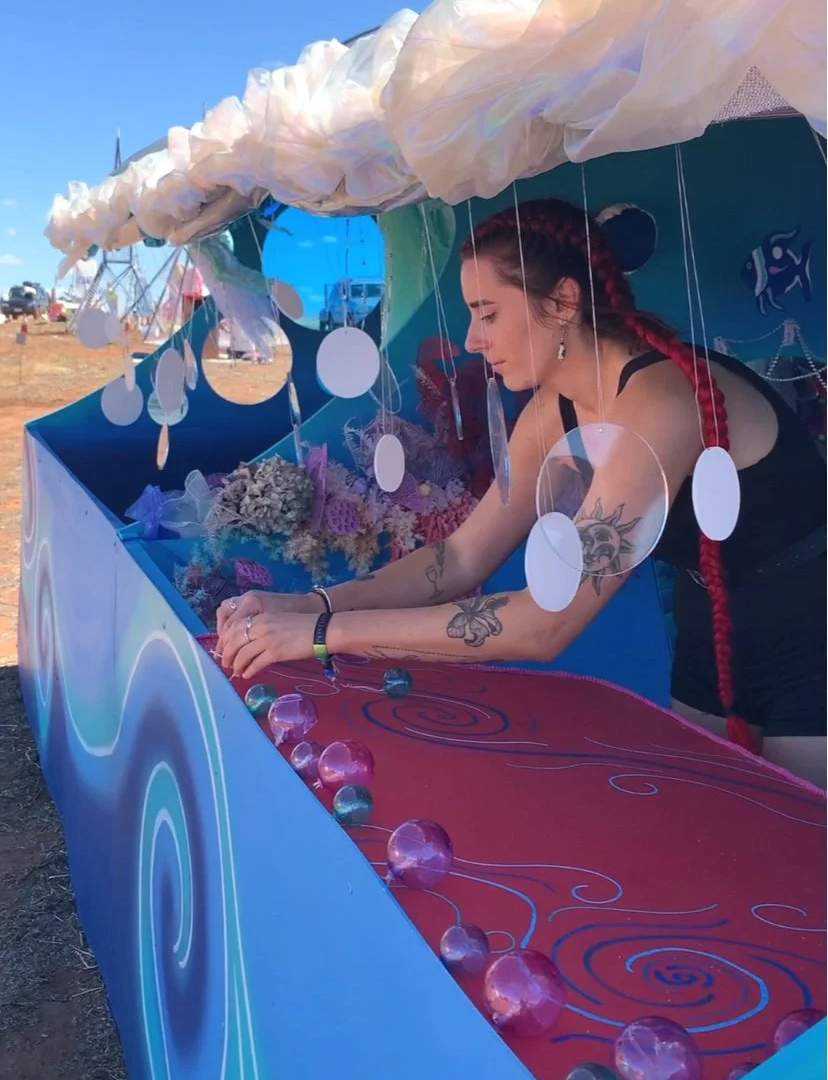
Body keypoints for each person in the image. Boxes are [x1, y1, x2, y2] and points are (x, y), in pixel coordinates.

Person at [217, 198, 826, 786]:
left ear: (562, 301)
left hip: (813, 628)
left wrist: (327, 634)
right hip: (712, 627)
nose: (473, 339)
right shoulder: (552, 409)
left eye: (488, 313)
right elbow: (459, 558)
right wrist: (311, 604)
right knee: (721, 831)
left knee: (800, 859)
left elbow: (547, 622)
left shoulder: (661, 401)